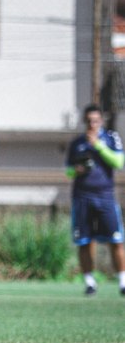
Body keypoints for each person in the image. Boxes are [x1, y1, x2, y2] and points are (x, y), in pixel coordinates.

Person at [65, 104, 125, 296]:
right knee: (84, 241)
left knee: (116, 240)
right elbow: (68, 172)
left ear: (101, 121)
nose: (92, 124)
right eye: (89, 121)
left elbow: (118, 162)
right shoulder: (76, 143)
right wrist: (77, 170)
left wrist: (98, 145)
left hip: (105, 196)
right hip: (82, 197)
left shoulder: (110, 138)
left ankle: (123, 280)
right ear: (84, 121)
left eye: (96, 121)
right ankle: (90, 282)